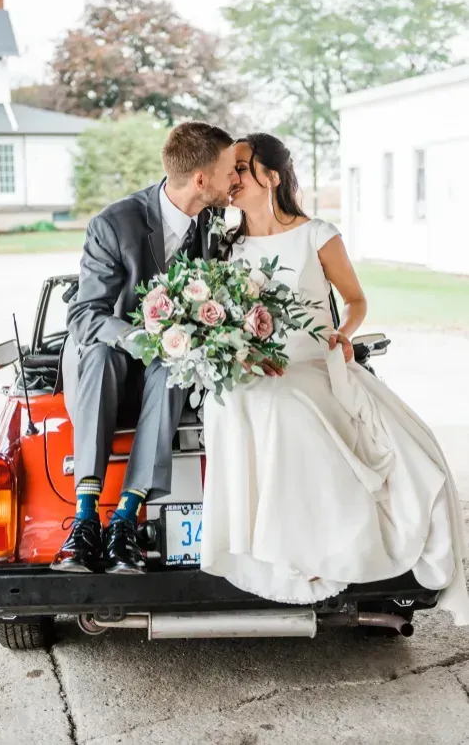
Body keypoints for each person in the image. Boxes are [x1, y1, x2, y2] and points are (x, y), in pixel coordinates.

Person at [200, 132, 469, 625]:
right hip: (252, 366)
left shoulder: (316, 233)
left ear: (272, 177)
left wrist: (343, 334)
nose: (231, 178)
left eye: (241, 167)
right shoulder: (225, 244)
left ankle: (312, 544)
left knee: (288, 407)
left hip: (309, 363)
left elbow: (356, 301)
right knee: (227, 403)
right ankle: (252, 542)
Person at [51, 121, 239, 574]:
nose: (235, 179)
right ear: (201, 179)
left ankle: (123, 521)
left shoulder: (216, 224)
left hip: (169, 376)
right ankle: (84, 521)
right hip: (112, 371)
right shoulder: (115, 224)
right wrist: (146, 340)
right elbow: (84, 314)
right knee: (98, 352)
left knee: (175, 362)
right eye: (230, 169)